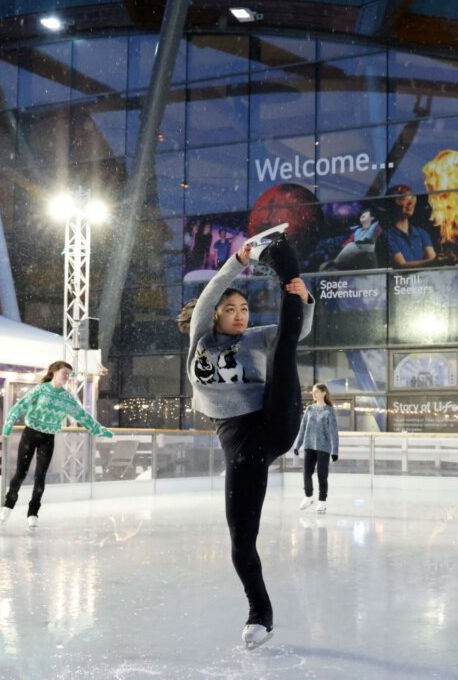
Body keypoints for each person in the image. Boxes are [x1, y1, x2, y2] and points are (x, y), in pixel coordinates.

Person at [177, 230, 314, 649]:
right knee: (241, 541)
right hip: (239, 443)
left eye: (244, 308)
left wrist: (302, 297)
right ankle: (260, 615)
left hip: (274, 418)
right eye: (231, 309)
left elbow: (299, 330)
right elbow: (208, 295)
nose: (240, 315)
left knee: (285, 347)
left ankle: (285, 259)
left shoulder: (258, 337)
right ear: (215, 315)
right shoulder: (200, 340)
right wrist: (239, 259)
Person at [0, 360, 113, 529]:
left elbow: (82, 415)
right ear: (54, 372)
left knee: (40, 476)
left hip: (48, 437)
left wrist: (98, 429)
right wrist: (9, 422)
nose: (67, 376)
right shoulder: (41, 389)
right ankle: (8, 504)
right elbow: (21, 405)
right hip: (31, 433)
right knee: (21, 473)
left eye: (69, 373)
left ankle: (33, 513)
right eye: (64, 372)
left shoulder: (67, 398)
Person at [292, 383, 340, 513]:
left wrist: (335, 451)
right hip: (309, 446)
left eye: (316, 391)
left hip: (323, 447)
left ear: (324, 393)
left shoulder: (329, 410)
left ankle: (322, 501)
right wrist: (298, 445)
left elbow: (334, 432)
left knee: (322, 475)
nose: (314, 394)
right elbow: (302, 428)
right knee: (307, 473)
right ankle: (308, 496)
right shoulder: (310, 409)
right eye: (313, 392)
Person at [377, 185, 437, 268]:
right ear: (392, 204)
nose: (411, 203)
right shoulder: (386, 236)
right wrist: (437, 261)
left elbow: (433, 259)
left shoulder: (421, 233)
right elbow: (401, 265)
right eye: (404, 199)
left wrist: (440, 260)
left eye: (412, 198)